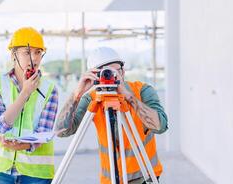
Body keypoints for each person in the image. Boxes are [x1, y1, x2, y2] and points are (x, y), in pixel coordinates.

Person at [55, 47, 168, 183]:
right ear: (94, 75)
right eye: (105, 73)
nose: (111, 77)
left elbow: (160, 126)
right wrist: (77, 94)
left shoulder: (142, 91)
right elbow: (62, 131)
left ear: (123, 71)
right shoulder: (92, 99)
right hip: (110, 180)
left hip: (145, 177)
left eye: (115, 71)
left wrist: (128, 97)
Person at [0, 27, 58, 184]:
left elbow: (44, 132)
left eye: (38, 52)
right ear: (14, 55)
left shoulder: (50, 89)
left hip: (36, 174)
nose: (34, 58)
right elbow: (2, 125)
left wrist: (25, 145)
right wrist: (25, 93)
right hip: (0, 172)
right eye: (27, 52)